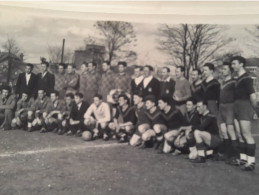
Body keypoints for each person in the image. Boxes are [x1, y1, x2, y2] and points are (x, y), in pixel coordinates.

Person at [229, 56, 257, 171]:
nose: (232, 66)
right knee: (239, 134)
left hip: (244, 106)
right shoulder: (237, 78)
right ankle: (243, 159)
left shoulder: (247, 78)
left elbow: (253, 96)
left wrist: (254, 109)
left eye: (234, 63)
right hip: (236, 106)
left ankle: (251, 162)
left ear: (241, 64)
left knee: (246, 134)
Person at [218, 62, 238, 161]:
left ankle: (235, 155)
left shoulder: (234, 82)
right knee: (223, 130)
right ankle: (227, 153)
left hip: (230, 107)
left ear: (230, 70)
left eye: (225, 69)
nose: (222, 71)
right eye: (222, 69)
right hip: (221, 107)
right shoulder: (221, 82)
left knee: (230, 130)